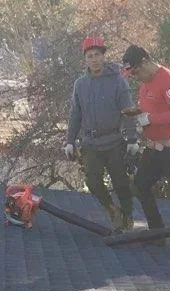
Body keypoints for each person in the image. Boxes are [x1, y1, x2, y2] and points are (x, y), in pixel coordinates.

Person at [119, 45, 170, 233]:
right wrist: (137, 112)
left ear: (145, 62)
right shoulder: (144, 84)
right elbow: (153, 106)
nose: (136, 77)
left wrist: (150, 119)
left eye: (137, 72)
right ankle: (157, 230)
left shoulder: (167, 79)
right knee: (140, 185)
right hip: (153, 147)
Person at [65, 36, 135, 233]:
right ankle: (112, 210)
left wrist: (132, 140)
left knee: (121, 183)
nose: (94, 59)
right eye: (89, 56)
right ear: (85, 59)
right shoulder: (80, 84)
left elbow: (129, 111)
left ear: (103, 56)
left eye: (97, 55)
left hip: (114, 140)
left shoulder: (118, 81)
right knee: (93, 182)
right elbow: (75, 115)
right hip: (90, 142)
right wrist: (69, 141)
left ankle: (127, 216)